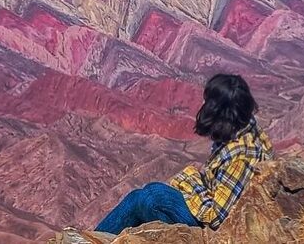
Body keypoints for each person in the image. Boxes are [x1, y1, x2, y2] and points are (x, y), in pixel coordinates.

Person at [95, 73, 275, 234]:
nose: (203, 105)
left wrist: (191, 183)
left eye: (209, 101)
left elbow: (217, 217)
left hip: (212, 230)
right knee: (142, 196)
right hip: (206, 212)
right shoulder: (239, 131)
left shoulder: (242, 155)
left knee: (150, 198)